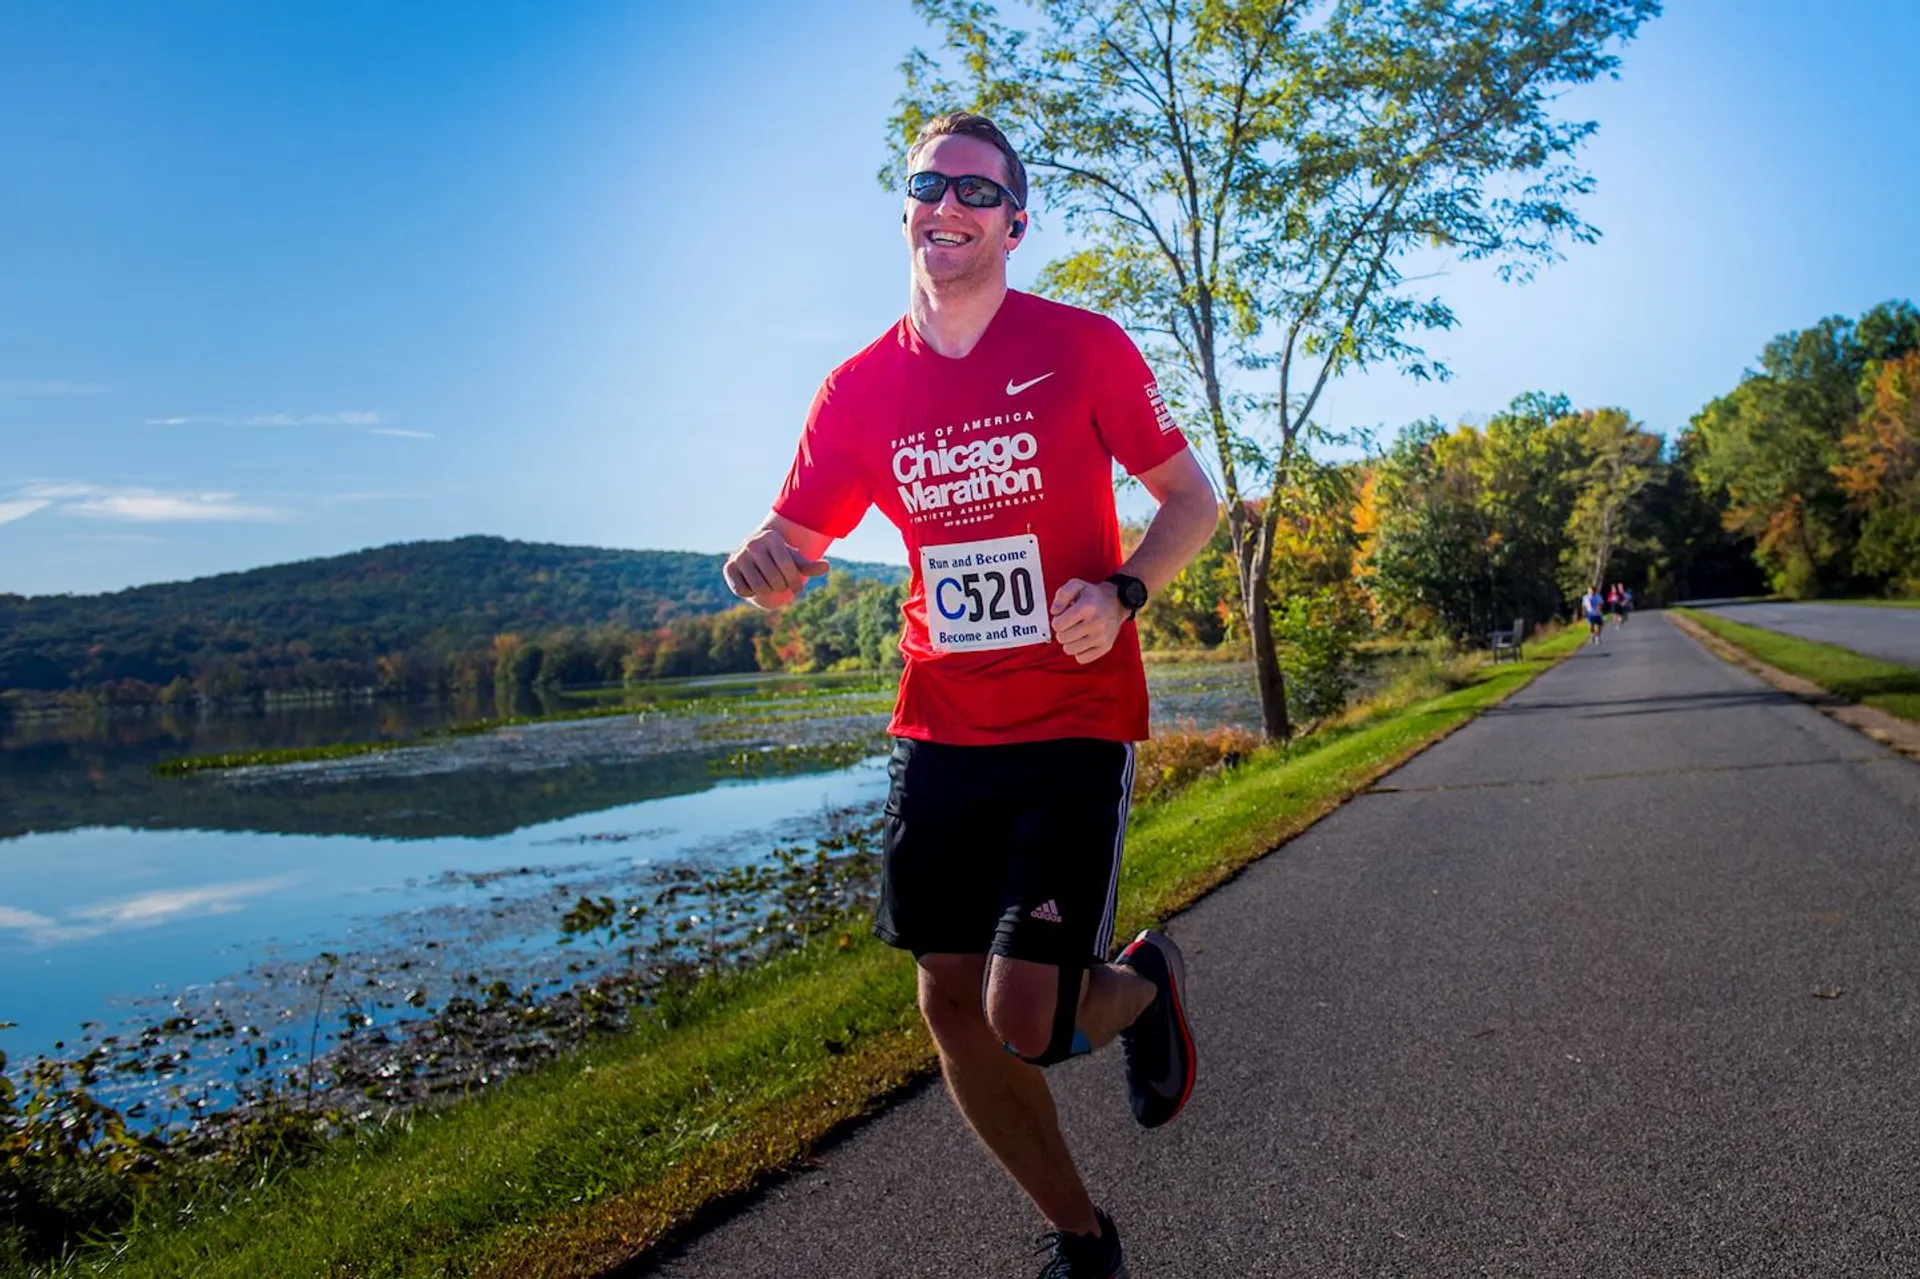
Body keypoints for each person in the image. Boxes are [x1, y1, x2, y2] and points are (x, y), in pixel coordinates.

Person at [722, 112, 1220, 1278]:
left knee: (1023, 1021)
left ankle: (1143, 988)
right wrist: (760, 560)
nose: (946, 205)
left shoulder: (1083, 347)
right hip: (940, 724)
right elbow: (792, 542)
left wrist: (1127, 587)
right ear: (905, 208)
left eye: (974, 192)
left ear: (1014, 223)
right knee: (947, 1000)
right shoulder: (857, 389)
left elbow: (1189, 498)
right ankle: (1081, 1239)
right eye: (926, 184)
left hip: (1074, 713)